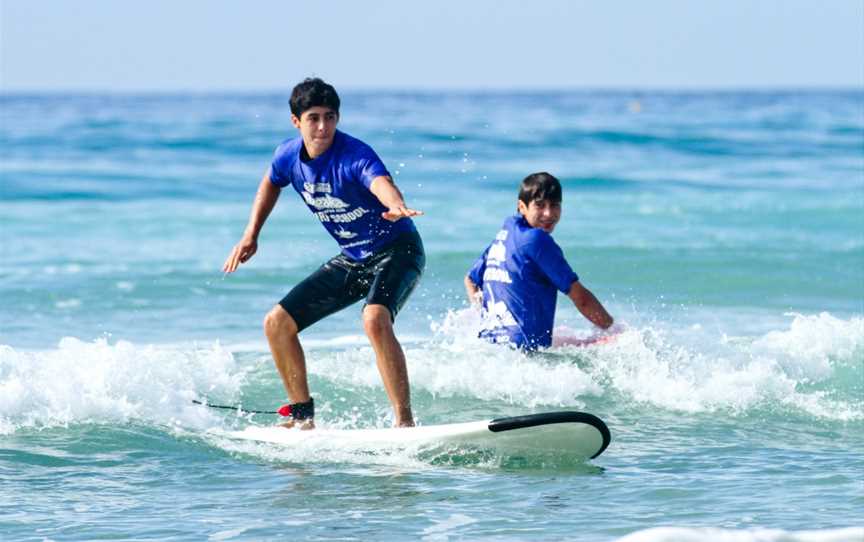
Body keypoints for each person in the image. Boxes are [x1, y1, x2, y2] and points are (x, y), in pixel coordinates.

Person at [223, 78, 424, 429]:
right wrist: (250, 234)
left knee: (375, 320)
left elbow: (379, 182)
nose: (323, 127)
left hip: (398, 250)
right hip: (354, 257)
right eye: (313, 118)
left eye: (330, 117)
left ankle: (404, 422)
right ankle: (302, 416)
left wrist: (396, 205)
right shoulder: (288, 155)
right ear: (295, 121)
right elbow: (271, 181)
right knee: (277, 324)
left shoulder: (354, 155)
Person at [464, 172, 614, 351]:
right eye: (540, 205)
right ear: (522, 206)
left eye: (555, 205)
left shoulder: (505, 236)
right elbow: (580, 298)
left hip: (491, 349)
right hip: (524, 355)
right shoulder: (537, 240)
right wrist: (612, 329)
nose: (548, 213)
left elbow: (470, 280)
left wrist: (486, 316)